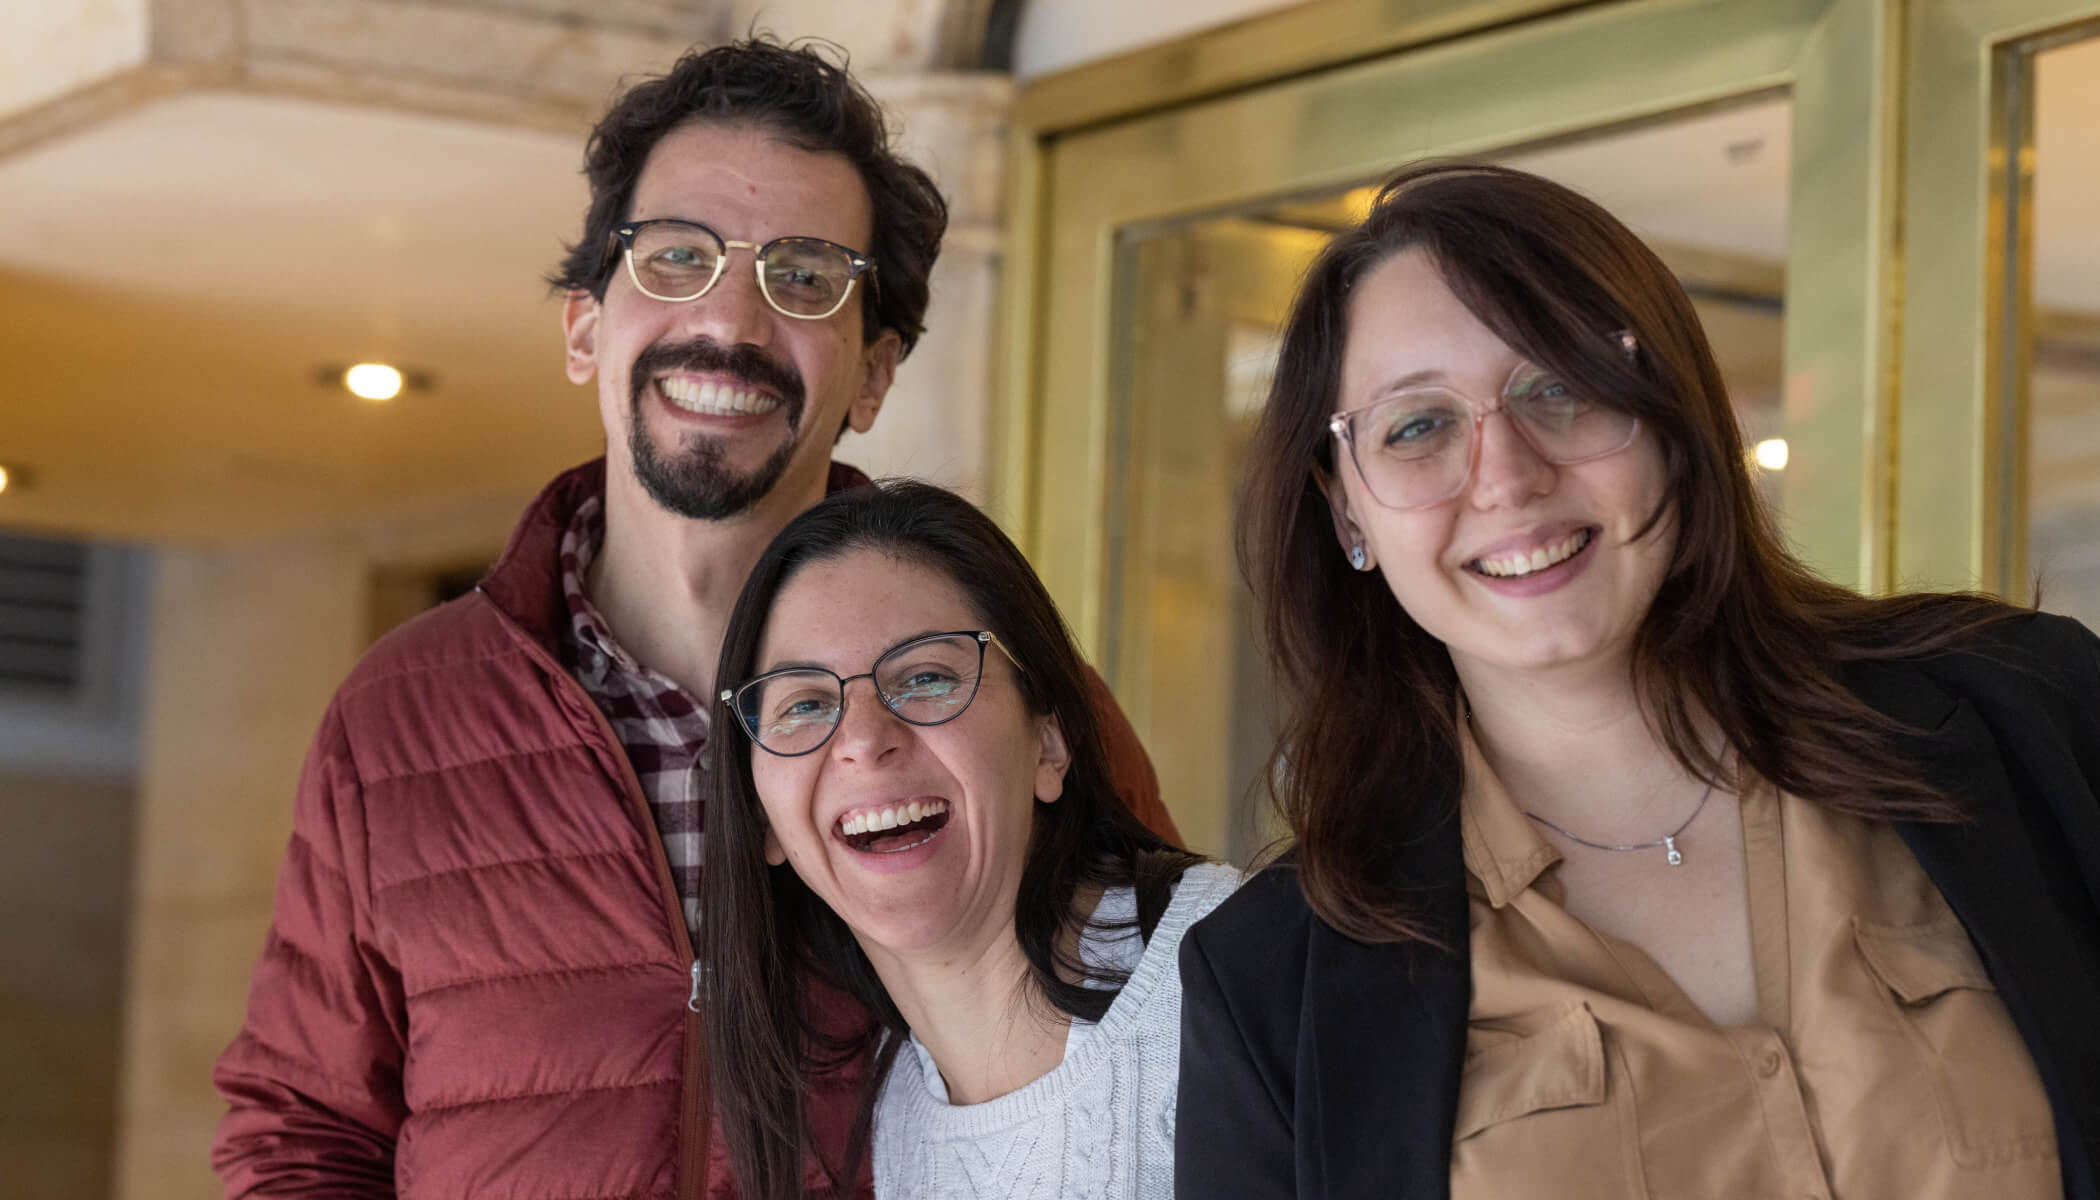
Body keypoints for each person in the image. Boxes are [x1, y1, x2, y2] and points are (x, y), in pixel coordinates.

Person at [211, 39, 1178, 1199]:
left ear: (873, 375)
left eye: (807, 275)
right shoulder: (400, 714)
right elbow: (304, 1132)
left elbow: (1153, 1052)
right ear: (584, 327)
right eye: (676, 258)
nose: (729, 320)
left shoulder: (996, 696)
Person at [1175, 160, 2100, 1200]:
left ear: (1668, 415)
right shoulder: (1273, 982)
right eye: (1418, 426)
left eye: (1558, 387)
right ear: (1347, 510)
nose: (1509, 476)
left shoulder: (2032, 715)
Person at [701, 480, 1236, 1200]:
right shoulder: (896, 1124)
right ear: (763, 815)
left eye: (924, 676)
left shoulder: (1245, 970)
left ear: (1049, 742)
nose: (862, 739)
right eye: (805, 703)